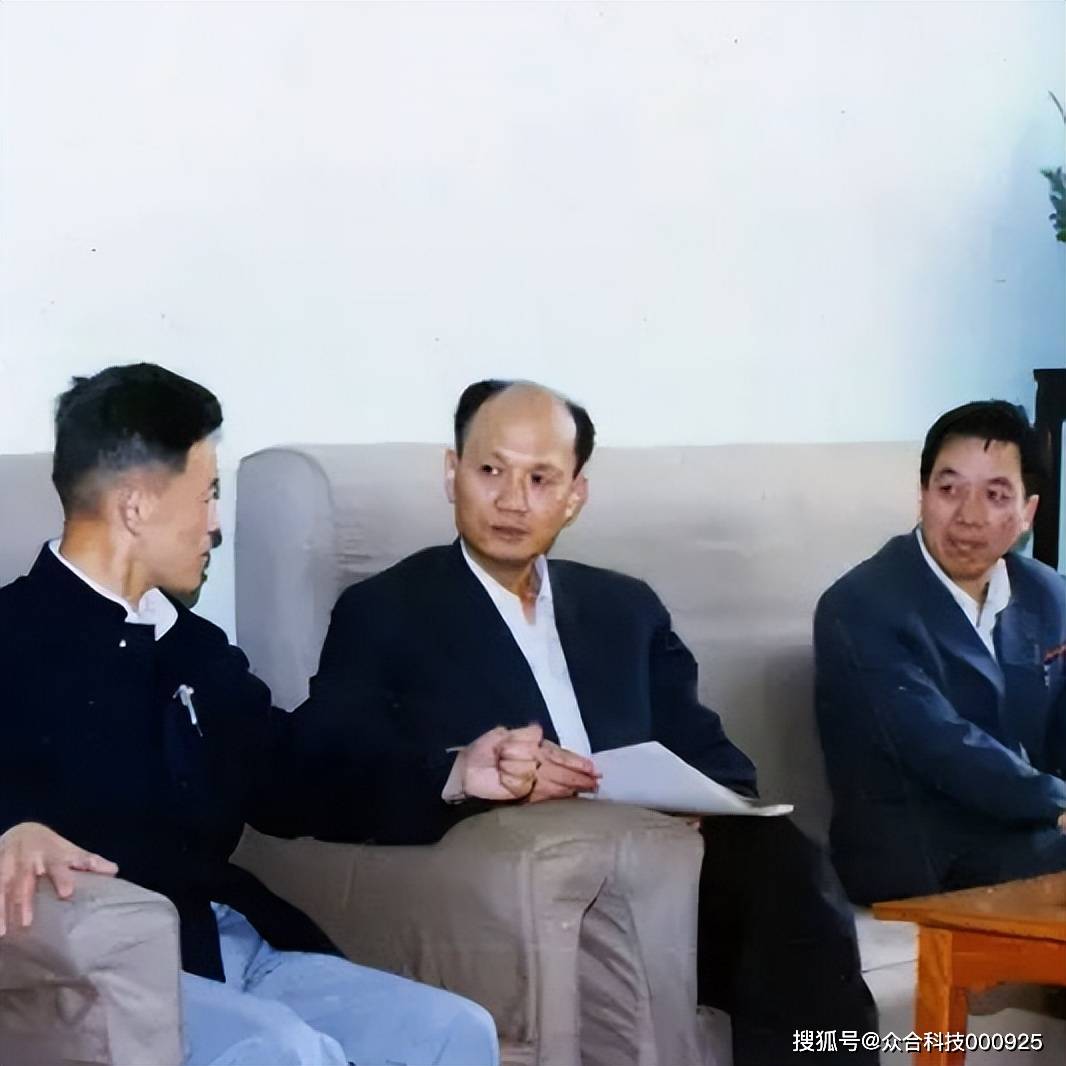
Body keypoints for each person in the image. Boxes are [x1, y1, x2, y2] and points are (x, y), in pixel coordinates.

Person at [298, 378, 879, 1066]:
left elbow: (717, 759)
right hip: (532, 887)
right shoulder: (385, 609)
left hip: (666, 877)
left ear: (574, 496)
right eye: (491, 471)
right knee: (782, 899)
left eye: (541, 479)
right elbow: (322, 768)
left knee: (784, 860)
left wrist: (701, 804)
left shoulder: (625, 609)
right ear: (452, 474)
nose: (513, 500)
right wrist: (458, 772)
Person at [0, 363, 501, 1066]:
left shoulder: (194, 647)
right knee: (285, 1051)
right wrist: (9, 827)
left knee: (454, 1031)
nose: (215, 526)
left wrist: (453, 774)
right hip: (105, 982)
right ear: (135, 506)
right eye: (207, 495)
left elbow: (293, 775)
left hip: (233, 945)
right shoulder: (11, 635)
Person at [815, 400, 1066, 904]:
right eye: (949, 490)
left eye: (996, 495)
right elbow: (943, 747)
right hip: (920, 855)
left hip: (1028, 830)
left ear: (1028, 513)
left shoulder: (1049, 595)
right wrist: (1057, 800)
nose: (969, 517)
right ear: (923, 495)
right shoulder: (859, 606)